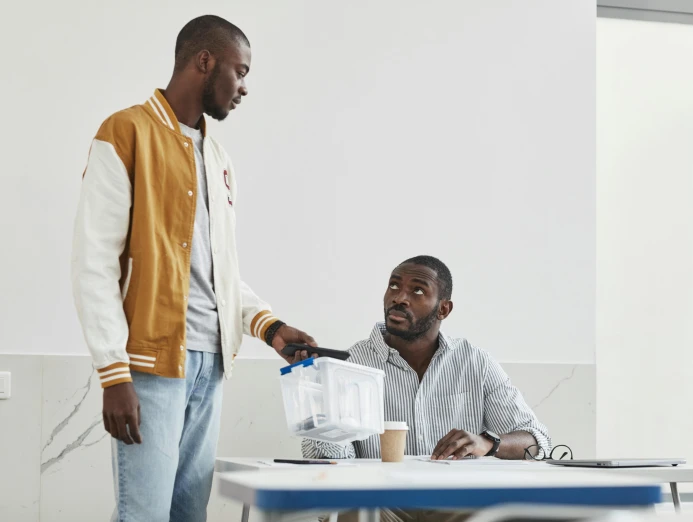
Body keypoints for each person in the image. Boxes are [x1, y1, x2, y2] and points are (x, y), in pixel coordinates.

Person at [71, 15, 316, 522]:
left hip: (212, 365)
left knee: (189, 515)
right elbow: (93, 263)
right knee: (144, 515)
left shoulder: (218, 156)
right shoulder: (125, 132)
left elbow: (216, 268)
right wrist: (113, 374)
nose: (244, 88)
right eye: (240, 71)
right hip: (150, 367)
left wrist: (268, 326)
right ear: (204, 62)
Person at [302, 255, 550, 521]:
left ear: (443, 309)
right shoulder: (351, 364)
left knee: (506, 510)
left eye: (417, 290)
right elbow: (331, 467)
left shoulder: (474, 362)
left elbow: (537, 442)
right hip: (381, 504)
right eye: (394, 286)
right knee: (350, 508)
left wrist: (487, 442)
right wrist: (322, 409)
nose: (399, 297)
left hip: (456, 503)